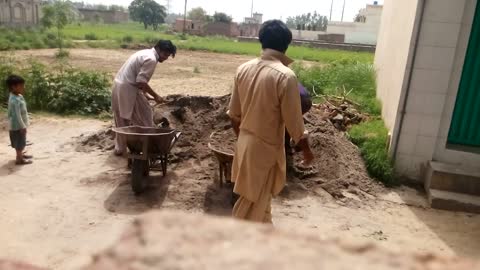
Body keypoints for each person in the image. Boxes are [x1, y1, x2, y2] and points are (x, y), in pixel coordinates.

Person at [228, 20, 314, 223]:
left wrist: (244, 140)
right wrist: (307, 151)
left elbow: (233, 115)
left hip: (244, 143)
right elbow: (295, 123)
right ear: (286, 44)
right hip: (265, 149)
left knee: (258, 201)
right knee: (253, 203)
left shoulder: (243, 69)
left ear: (261, 41)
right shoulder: (285, 76)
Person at [112, 40, 177, 156]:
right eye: (166, 55)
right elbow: (141, 81)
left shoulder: (144, 52)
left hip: (119, 84)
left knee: (121, 118)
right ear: (159, 50)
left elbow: (137, 77)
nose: (166, 58)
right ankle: (148, 146)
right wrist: (156, 96)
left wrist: (144, 94)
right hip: (128, 88)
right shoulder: (151, 59)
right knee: (146, 115)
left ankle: (120, 148)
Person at [6, 75, 33, 165]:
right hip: (17, 126)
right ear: (13, 87)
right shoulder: (14, 100)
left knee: (21, 141)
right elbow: (17, 115)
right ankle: (19, 159)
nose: (23, 87)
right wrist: (22, 126)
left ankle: (20, 155)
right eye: (21, 86)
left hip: (19, 124)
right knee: (19, 142)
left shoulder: (18, 96)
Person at [285, 83, 313, 167]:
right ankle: (296, 147)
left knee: (288, 124)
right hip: (304, 97)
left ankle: (306, 153)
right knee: (290, 124)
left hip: (299, 99)